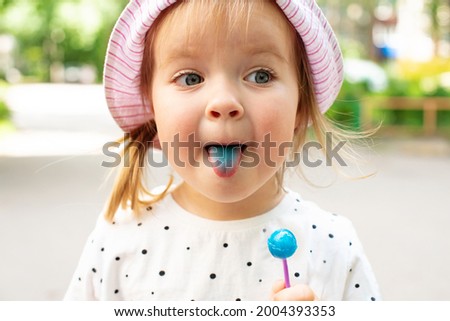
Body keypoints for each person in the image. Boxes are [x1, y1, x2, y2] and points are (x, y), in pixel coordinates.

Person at [64, 0, 380, 301]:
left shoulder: (332, 247)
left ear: (300, 103)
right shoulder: (117, 241)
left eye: (260, 75)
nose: (224, 102)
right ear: (152, 107)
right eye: (190, 78)